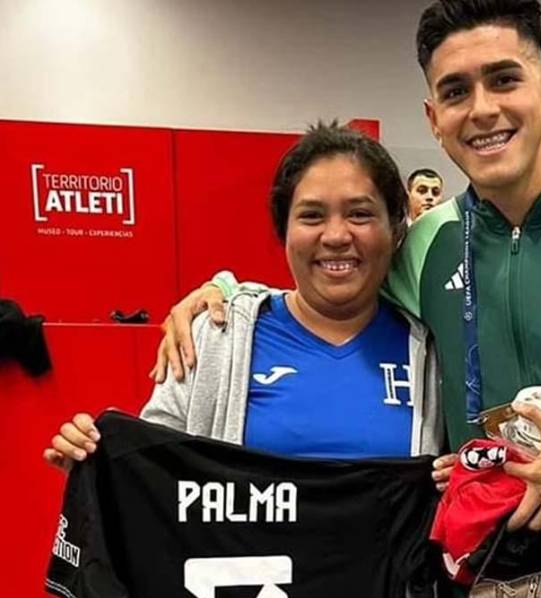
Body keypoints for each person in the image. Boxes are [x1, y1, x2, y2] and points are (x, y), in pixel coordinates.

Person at [149, 2, 541, 598]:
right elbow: (335, 280)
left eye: (504, 80)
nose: (482, 109)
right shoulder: (429, 244)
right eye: (456, 91)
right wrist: (231, 296)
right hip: (474, 578)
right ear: (434, 118)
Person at [44, 122, 443, 473]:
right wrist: (97, 463)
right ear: (283, 231)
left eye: (359, 214)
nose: (336, 236)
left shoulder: (431, 353)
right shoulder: (216, 335)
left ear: (395, 229)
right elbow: (153, 472)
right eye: (311, 216)